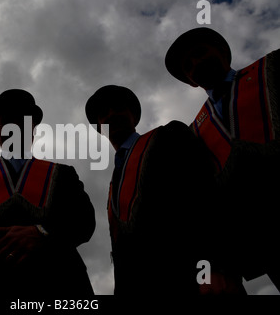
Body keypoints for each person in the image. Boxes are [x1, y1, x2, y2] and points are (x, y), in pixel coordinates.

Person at [85, 85, 242, 295]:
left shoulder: (169, 135)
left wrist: (214, 268)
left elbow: (204, 198)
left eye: (118, 107)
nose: (111, 114)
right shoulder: (115, 181)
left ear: (134, 115)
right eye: (103, 114)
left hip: (192, 282)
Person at [0, 89, 96, 296]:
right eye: (8, 121)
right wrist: (0, 243)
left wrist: (42, 232)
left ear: (34, 129)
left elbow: (84, 222)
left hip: (55, 281)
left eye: (23, 120)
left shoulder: (63, 174)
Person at [165, 27, 280, 290]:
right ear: (191, 81)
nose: (196, 64)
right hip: (267, 239)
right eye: (188, 66)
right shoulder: (196, 130)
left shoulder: (270, 69)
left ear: (223, 53)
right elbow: (208, 201)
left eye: (200, 53)